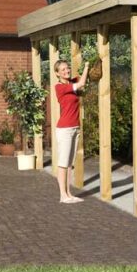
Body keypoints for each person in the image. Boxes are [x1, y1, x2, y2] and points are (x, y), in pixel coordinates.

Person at [54, 59, 89, 203]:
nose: (66, 71)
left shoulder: (71, 82)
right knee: (63, 162)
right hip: (65, 128)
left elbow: (85, 80)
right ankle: (63, 195)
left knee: (69, 163)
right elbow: (81, 83)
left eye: (67, 68)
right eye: (62, 70)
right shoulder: (59, 87)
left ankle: (69, 193)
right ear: (57, 73)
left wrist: (89, 68)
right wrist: (87, 65)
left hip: (75, 127)